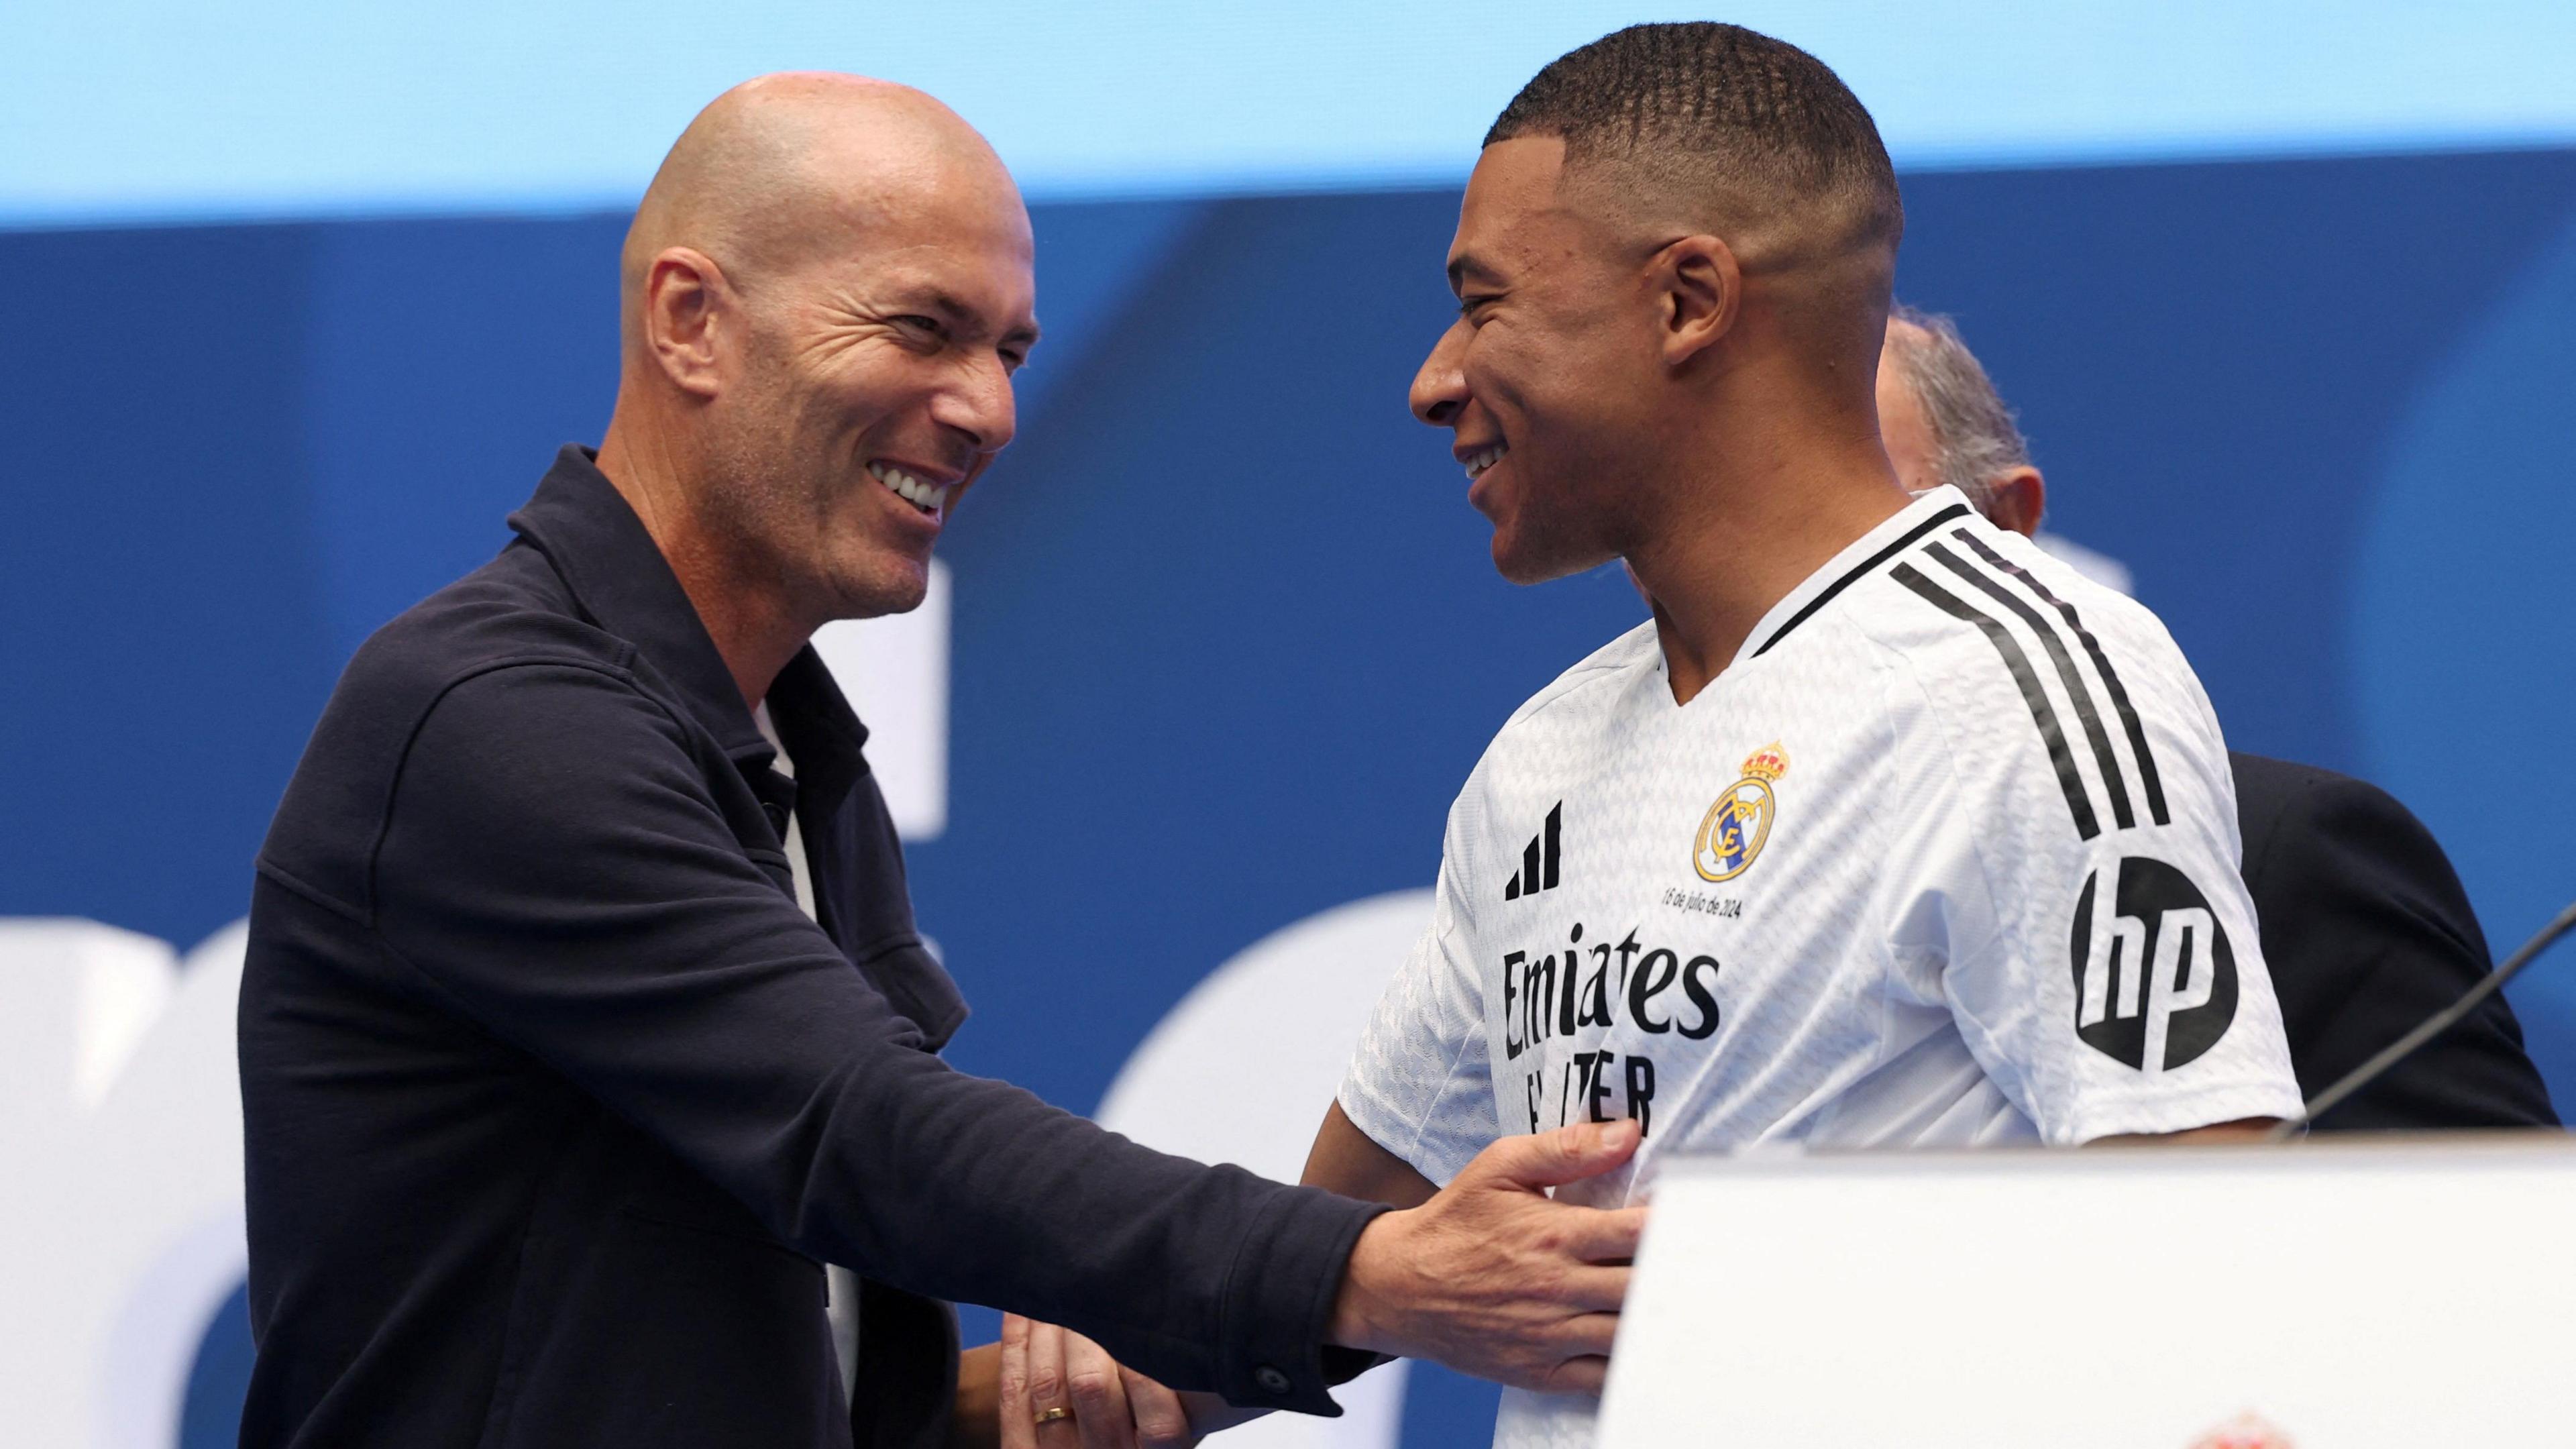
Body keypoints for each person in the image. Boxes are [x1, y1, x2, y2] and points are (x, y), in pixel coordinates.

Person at [237, 74, 1646, 1449]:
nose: (987, 410)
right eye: (924, 328)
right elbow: (865, 1132)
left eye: (1012, 352)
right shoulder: (495, 716)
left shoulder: (790, 747)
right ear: (690, 321)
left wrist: (1044, 1398)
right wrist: (1375, 1274)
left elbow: (737, 1350)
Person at [1297, 24, 2306, 1448]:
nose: (1434, 377)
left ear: (1689, 298)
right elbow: (1308, 1275)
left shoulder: (2019, 682)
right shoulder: (1542, 758)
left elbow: (2227, 1279)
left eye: (1485, 301)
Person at [1874, 304, 2558, 1130]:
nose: (1804, 590)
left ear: (2006, 529)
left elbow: (2477, 1233)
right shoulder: (1688, 823)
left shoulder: (2283, 856)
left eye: (1854, 526)